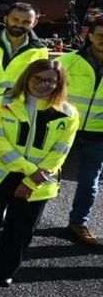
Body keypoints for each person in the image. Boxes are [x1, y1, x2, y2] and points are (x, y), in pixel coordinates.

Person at [0, 59, 78, 287]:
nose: (43, 85)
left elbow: (60, 151)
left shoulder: (68, 114)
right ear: (27, 78)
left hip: (38, 182)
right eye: (38, 79)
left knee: (21, 229)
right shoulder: (3, 102)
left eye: (51, 81)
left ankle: (4, 269)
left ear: (59, 83)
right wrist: (30, 171)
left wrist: (33, 180)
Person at [56, 19, 103, 247]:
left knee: (90, 182)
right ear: (90, 36)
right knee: (46, 174)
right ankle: (27, 214)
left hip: (98, 134)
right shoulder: (68, 61)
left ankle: (78, 222)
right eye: (100, 35)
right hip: (62, 128)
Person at [0, 2, 48, 102]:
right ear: (5, 19)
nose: (19, 25)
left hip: (15, 107)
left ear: (35, 23)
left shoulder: (40, 51)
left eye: (26, 22)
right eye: (15, 19)